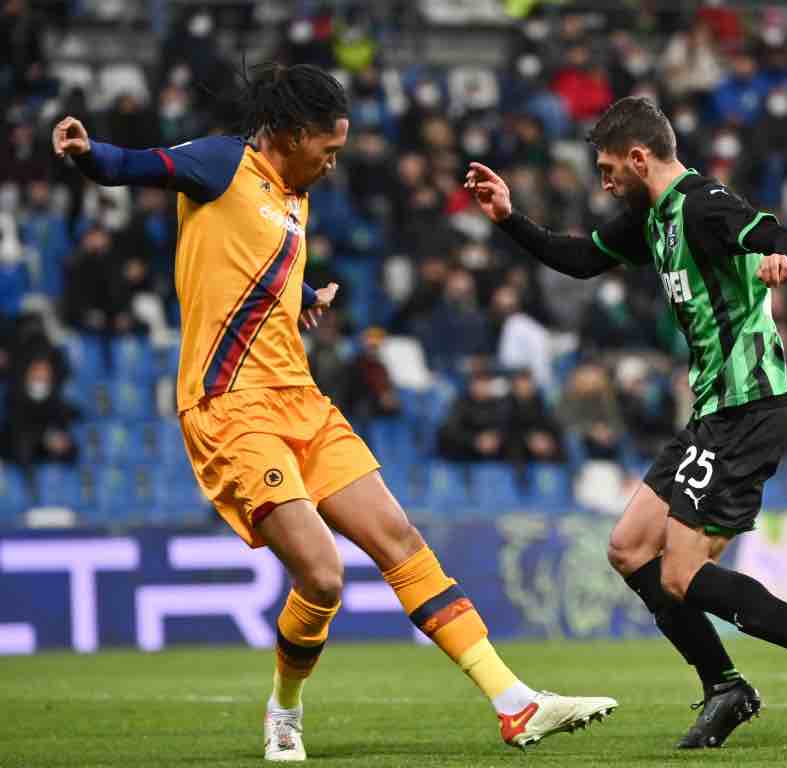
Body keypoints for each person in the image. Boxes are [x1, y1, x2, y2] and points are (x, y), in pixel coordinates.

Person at [53, 62, 615, 762]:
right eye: (328, 147)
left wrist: (308, 293)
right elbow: (139, 165)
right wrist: (86, 155)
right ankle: (284, 710)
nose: (333, 160)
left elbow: (255, 267)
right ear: (289, 134)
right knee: (321, 575)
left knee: (399, 539)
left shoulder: (294, 196)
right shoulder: (224, 162)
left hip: (301, 400)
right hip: (232, 406)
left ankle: (516, 703)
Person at [466, 95, 787, 749]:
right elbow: (578, 258)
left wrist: (785, 262)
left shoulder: (705, 205)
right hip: (712, 415)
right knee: (628, 549)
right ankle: (726, 687)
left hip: (749, 409)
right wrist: (510, 219)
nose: (603, 181)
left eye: (607, 169)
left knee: (682, 574)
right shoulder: (649, 219)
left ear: (638, 157)